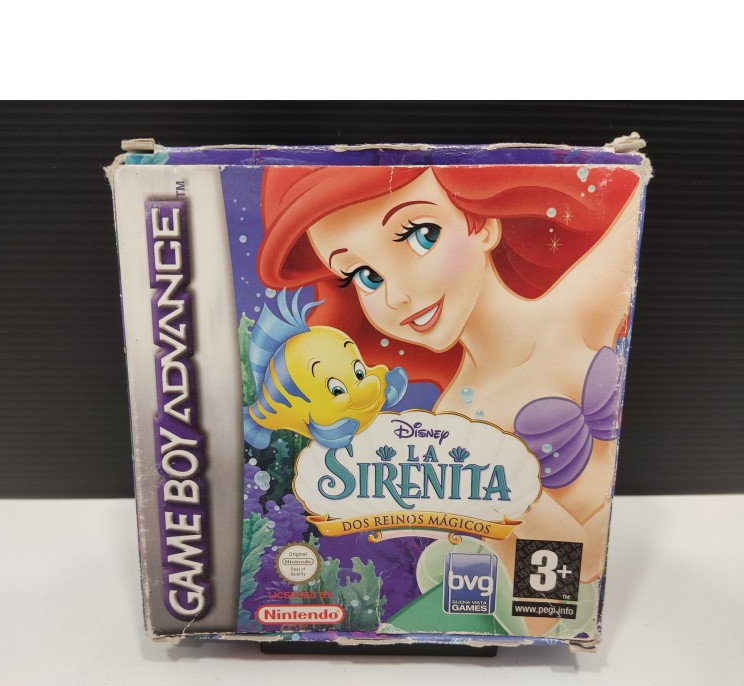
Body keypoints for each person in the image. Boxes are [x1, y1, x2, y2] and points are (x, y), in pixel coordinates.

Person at [256, 162, 642, 632]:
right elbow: (558, 566)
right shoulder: (458, 424)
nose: (396, 295)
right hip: (555, 607)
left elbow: (630, 206)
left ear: (483, 225)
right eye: (365, 276)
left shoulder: (575, 310)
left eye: (420, 236)